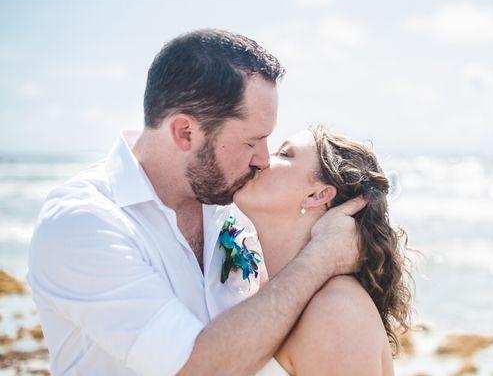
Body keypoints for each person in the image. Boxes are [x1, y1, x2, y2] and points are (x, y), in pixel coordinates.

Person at [26, 29, 366, 376]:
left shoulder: (231, 205)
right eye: (251, 142)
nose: (263, 160)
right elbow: (194, 368)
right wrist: (321, 258)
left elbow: (262, 317)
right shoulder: (83, 223)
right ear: (184, 132)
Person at [234, 127, 416, 375]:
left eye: (284, 154)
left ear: (318, 195)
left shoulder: (337, 310)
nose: (263, 159)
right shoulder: (258, 288)